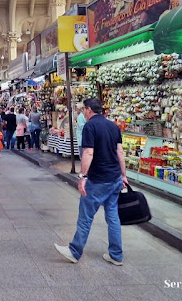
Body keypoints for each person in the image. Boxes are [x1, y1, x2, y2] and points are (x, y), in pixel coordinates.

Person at [54, 98, 127, 266]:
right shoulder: (113, 126)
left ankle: (74, 251)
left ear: (88, 109)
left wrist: (83, 177)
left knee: (85, 217)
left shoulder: (90, 126)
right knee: (113, 217)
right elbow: (120, 153)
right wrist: (123, 175)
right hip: (114, 178)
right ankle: (116, 255)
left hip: (98, 179)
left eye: (83, 110)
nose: (82, 113)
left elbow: (88, 153)